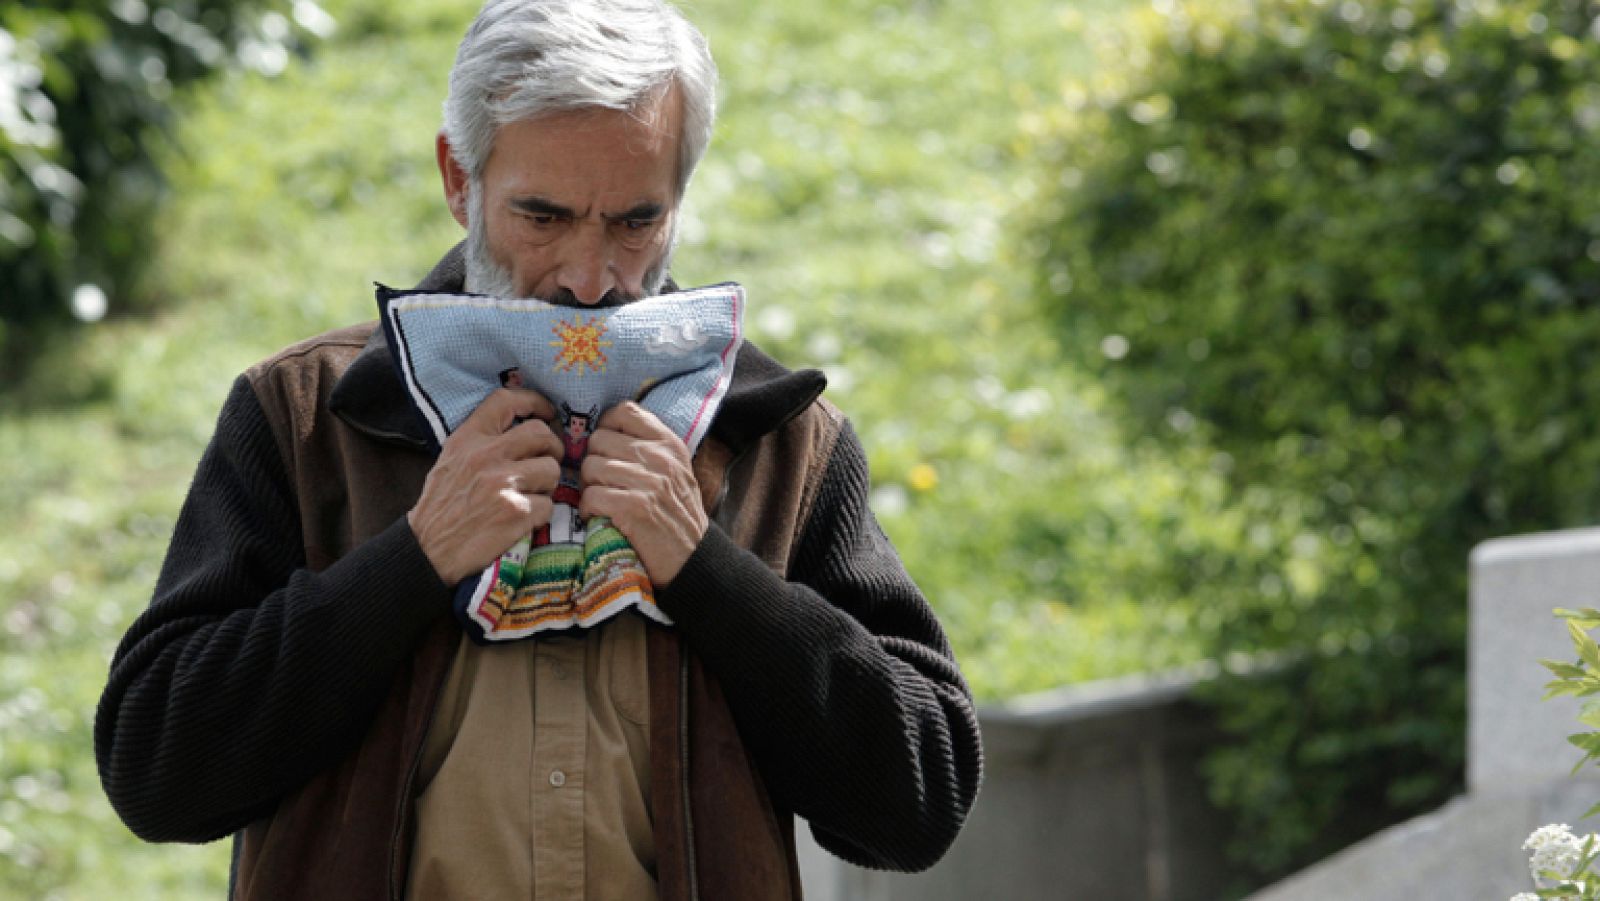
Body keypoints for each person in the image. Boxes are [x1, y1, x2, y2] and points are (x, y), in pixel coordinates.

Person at [93, 1, 984, 898]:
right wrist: (414, 557)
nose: (590, 280)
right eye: (543, 216)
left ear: (680, 196)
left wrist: (708, 572)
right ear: (459, 178)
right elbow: (157, 776)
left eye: (635, 221)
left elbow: (920, 809)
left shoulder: (783, 442)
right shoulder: (304, 417)